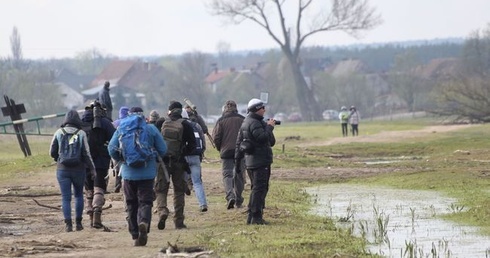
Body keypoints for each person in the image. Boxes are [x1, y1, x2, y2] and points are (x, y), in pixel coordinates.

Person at [108, 106, 167, 247]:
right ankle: (144, 222)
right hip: (147, 172)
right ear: (143, 115)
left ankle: (135, 234)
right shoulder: (150, 128)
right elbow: (163, 149)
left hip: (128, 173)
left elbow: (111, 148)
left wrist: (122, 158)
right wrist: (154, 157)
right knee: (145, 201)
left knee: (131, 203)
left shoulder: (122, 127)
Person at [50, 110, 96, 232]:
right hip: (78, 169)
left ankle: (68, 225)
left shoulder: (59, 132)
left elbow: (52, 151)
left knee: (65, 198)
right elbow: (87, 153)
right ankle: (79, 223)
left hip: (62, 169)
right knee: (79, 195)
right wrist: (92, 169)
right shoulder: (81, 133)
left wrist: (58, 159)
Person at [155, 101, 196, 230]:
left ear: (170, 111)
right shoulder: (186, 125)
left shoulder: (161, 123)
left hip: (163, 162)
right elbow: (193, 145)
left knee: (161, 190)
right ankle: (178, 221)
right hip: (178, 162)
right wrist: (183, 153)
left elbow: (154, 140)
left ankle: (162, 211)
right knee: (179, 191)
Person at [235, 98, 276, 225]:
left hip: (251, 161)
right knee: (260, 189)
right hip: (259, 161)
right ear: (257, 109)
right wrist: (269, 127)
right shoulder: (255, 123)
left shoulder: (246, 122)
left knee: (256, 188)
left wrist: (237, 162)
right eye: (262, 108)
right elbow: (263, 138)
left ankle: (251, 216)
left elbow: (238, 143)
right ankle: (256, 217)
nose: (264, 110)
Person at [81, 100, 116, 228]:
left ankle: (90, 214)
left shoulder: (81, 123)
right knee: (99, 189)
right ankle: (97, 213)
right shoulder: (106, 123)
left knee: (89, 189)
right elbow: (114, 140)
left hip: (85, 162)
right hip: (101, 162)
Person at [212, 100, 246, 209]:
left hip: (226, 151)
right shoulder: (242, 119)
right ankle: (239, 199)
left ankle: (230, 195)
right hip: (240, 151)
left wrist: (219, 148)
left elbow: (216, 137)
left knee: (227, 175)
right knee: (239, 175)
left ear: (225, 108)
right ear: (236, 108)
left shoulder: (221, 121)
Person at [182, 109, 209, 212]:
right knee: (197, 182)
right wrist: (201, 153)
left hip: (183, 157)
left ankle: (181, 208)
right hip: (195, 156)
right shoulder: (196, 125)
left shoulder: (179, 125)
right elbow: (202, 139)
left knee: (181, 181)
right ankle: (203, 204)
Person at [112, 106, 129, 193]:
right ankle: (124, 183)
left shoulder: (115, 123)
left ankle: (117, 183)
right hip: (127, 149)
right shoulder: (130, 122)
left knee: (117, 167)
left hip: (116, 148)